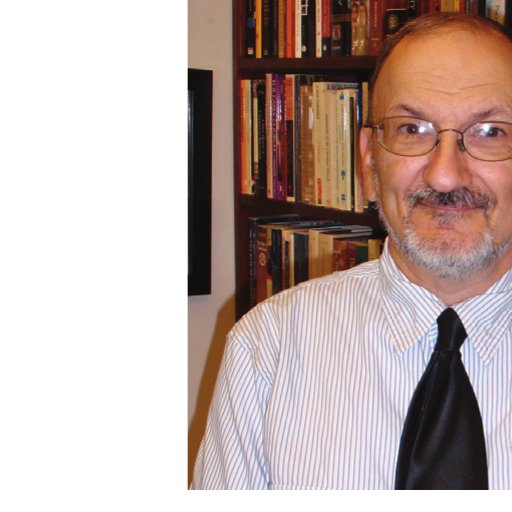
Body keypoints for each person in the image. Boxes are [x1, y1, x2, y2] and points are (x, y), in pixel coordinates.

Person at [191, 13, 512, 489]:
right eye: (412, 129)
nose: (445, 175)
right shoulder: (269, 347)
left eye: (491, 132)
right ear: (368, 162)